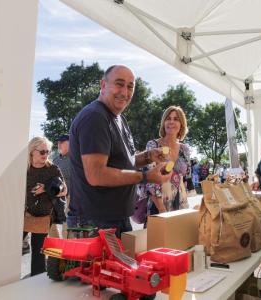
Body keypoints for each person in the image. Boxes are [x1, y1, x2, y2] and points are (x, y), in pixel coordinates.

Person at [68, 65, 172, 237]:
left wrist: (147, 157)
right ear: (103, 85)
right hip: (94, 223)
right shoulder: (95, 117)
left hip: (116, 219)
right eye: (119, 84)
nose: (125, 92)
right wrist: (146, 177)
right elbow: (96, 174)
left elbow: (122, 161)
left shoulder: (119, 118)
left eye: (130, 86)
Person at [24, 136, 67, 276]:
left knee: (38, 253)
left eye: (47, 152)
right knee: (10, 248)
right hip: (23, 215)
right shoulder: (24, 168)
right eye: (42, 152)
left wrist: (46, 188)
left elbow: (64, 190)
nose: (45, 155)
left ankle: (36, 284)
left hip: (43, 216)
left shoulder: (52, 169)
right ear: (32, 151)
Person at [145, 106, 191, 216]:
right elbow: (149, 180)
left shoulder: (185, 149)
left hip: (181, 205)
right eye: (168, 118)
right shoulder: (153, 145)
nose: (171, 122)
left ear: (181, 125)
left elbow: (185, 179)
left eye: (176, 119)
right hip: (159, 206)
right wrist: (162, 210)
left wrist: (185, 205)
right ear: (163, 122)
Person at [49, 134, 71, 238]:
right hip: (57, 196)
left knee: (68, 223)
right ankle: (55, 250)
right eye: (58, 142)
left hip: (72, 197)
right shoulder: (56, 160)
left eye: (62, 142)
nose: (59, 144)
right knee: (51, 221)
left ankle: (66, 249)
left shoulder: (77, 159)